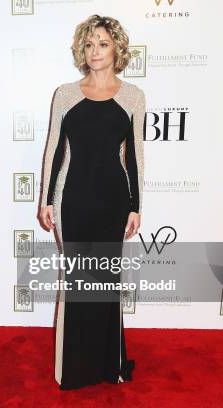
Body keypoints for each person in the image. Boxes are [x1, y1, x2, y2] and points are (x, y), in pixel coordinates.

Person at [38, 15, 145, 389]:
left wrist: (136, 205)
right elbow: (53, 150)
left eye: (102, 43)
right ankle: (72, 370)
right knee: (77, 280)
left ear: (117, 47)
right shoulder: (66, 93)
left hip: (113, 201)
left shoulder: (132, 96)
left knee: (106, 282)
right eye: (89, 44)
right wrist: (46, 200)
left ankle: (108, 365)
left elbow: (134, 156)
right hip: (73, 200)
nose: (95, 51)